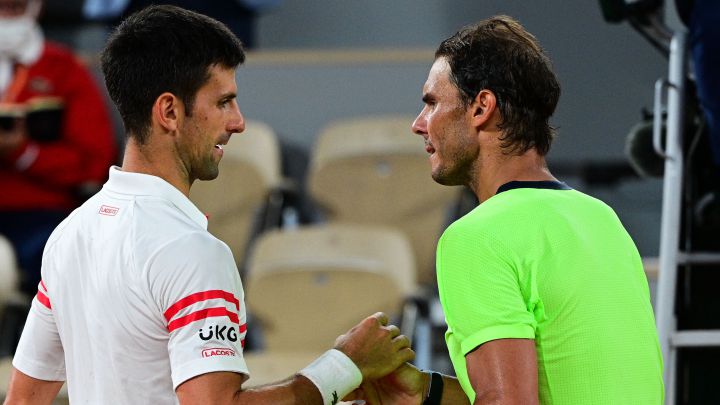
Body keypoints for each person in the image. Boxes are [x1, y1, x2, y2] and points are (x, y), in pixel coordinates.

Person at [4, 5, 413, 405]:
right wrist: (343, 368)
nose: (238, 122)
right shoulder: (192, 253)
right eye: (223, 102)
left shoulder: (69, 234)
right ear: (169, 112)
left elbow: (23, 399)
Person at [348, 15, 664, 404]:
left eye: (431, 103)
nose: (418, 124)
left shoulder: (476, 237)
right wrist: (425, 394)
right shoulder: (602, 218)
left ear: (481, 108)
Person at [0, 0, 116, 296]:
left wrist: (25, 154)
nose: (7, 16)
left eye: (14, 9)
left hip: (42, 214)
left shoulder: (63, 68)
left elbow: (94, 161)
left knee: (65, 262)